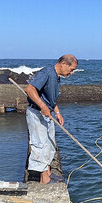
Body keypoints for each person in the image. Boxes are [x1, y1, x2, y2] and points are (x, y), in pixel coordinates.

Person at [25, 54, 78, 184]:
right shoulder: (47, 73)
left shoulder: (56, 77)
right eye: (71, 69)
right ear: (63, 64)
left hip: (46, 114)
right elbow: (30, 89)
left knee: (50, 145)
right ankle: (45, 180)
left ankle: (48, 173)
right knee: (41, 145)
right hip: (37, 114)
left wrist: (57, 112)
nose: (71, 73)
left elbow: (50, 98)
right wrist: (43, 106)